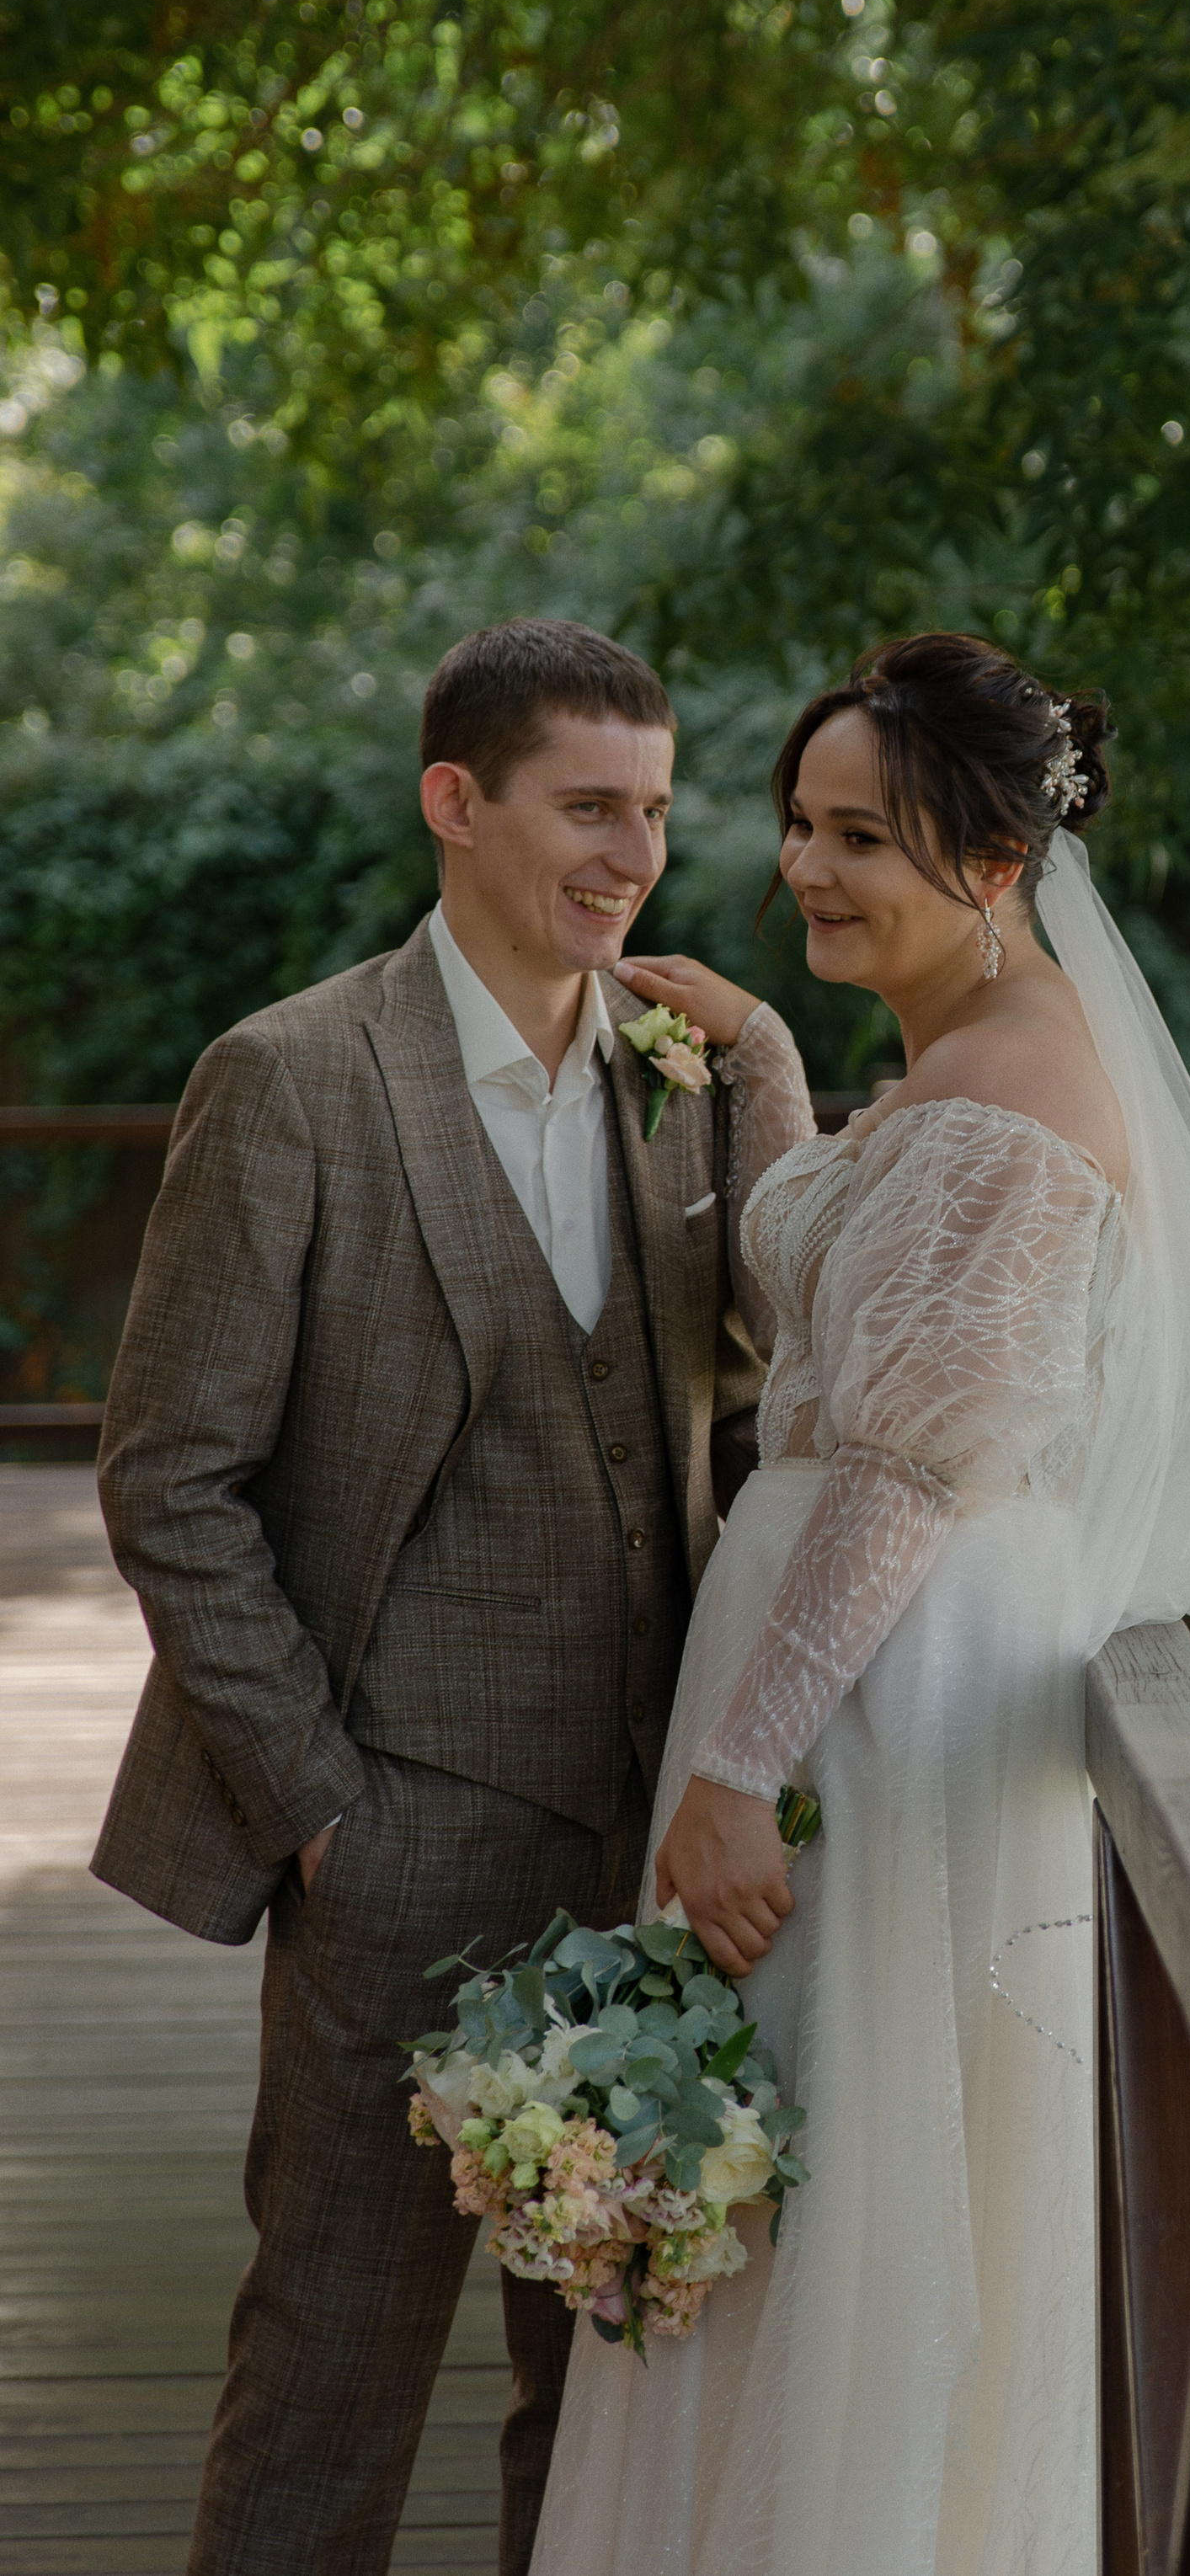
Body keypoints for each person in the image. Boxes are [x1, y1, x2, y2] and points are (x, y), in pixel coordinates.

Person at [532, 629, 1190, 2576]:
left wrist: (734, 1772)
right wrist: (780, 1075)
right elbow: (849, 1314)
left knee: (832, 2199)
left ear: (994, 858)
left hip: (863, 1701)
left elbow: (896, 1476)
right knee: (794, 2187)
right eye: (796, 824)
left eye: (862, 835)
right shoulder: (960, 1065)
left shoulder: (1005, 1102)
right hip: (847, 1667)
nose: (805, 867)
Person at [92, 616, 768, 2576]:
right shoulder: (291, 1079)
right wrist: (317, 1803)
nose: (631, 853)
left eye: (651, 809)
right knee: (331, 2375)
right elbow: (173, 1478)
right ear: (453, 805)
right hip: (388, 1840)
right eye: (586, 806)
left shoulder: (685, 1073)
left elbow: (777, 1364)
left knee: (608, 2391)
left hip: (648, 1850)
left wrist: (780, 1066)